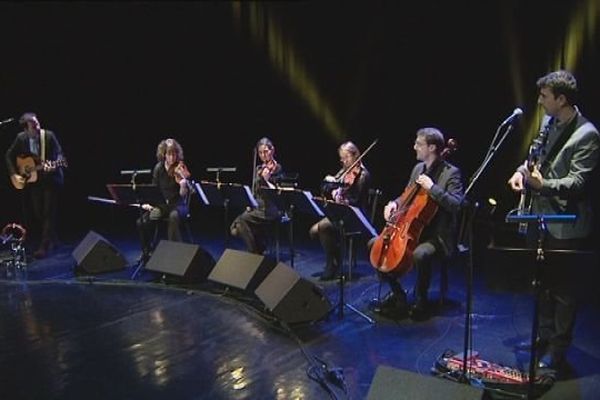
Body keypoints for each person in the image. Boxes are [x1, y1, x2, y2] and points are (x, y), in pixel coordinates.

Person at [508, 70, 599, 374]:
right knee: (542, 283)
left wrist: (541, 185)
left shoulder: (587, 134)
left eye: (545, 96)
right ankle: (544, 336)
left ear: (561, 99)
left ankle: (557, 350)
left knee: (564, 291)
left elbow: (578, 182)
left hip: (566, 224)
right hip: (540, 218)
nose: (539, 101)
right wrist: (521, 173)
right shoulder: (549, 123)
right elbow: (534, 158)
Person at [374, 127, 463, 320]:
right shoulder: (418, 169)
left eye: (419, 144)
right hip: (411, 229)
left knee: (420, 254)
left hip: (437, 235)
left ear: (431, 147)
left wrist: (432, 188)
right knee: (375, 245)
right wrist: (393, 204)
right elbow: (406, 195)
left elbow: (456, 205)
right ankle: (398, 295)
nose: (414, 147)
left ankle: (421, 299)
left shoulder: (451, 173)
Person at [5, 112, 65, 259]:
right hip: (35, 181)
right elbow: (8, 155)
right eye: (34, 126)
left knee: (48, 212)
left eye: (38, 124)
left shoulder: (49, 136)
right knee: (39, 212)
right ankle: (54, 239)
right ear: (26, 130)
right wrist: (14, 174)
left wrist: (54, 165)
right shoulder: (21, 139)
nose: (38, 128)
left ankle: (44, 246)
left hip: (51, 179)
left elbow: (60, 155)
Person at [309, 141, 371, 280]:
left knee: (323, 227)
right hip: (342, 213)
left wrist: (341, 198)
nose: (343, 161)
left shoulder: (363, 175)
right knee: (314, 231)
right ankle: (334, 258)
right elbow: (332, 185)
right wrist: (330, 183)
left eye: (346, 157)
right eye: (341, 158)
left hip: (355, 216)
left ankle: (333, 264)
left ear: (355, 156)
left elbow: (355, 201)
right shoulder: (345, 170)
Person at [137, 138, 190, 262]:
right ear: (164, 154)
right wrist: (148, 204)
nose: (172, 157)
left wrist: (183, 184)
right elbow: (153, 189)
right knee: (141, 222)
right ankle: (147, 252)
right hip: (162, 206)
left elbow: (183, 195)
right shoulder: (158, 168)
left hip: (178, 205)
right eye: (169, 154)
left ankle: (174, 253)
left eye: (174, 154)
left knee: (173, 217)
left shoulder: (180, 168)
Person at [230, 137, 284, 255]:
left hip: (270, 208)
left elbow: (277, 193)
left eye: (265, 151)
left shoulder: (277, 168)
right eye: (260, 153)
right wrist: (250, 203)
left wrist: (266, 180)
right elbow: (254, 190)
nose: (263, 155)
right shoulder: (258, 168)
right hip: (257, 207)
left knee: (240, 222)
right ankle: (258, 248)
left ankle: (254, 252)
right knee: (235, 229)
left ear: (272, 151)